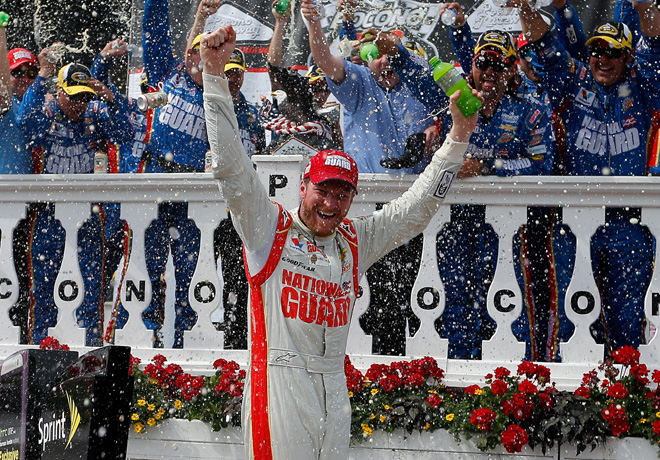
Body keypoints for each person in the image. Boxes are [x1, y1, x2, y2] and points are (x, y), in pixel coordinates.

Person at [201, 24, 478, 460]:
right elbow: (231, 169)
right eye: (323, 190)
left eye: (342, 194)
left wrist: (457, 137)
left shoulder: (353, 240)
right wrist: (215, 78)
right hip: (280, 388)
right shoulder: (268, 229)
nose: (330, 203)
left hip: (335, 389)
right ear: (303, 187)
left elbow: (416, 210)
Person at [374, 28, 555, 358]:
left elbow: (543, 166)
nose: (489, 71)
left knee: (507, 304)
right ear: (471, 66)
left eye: (498, 64)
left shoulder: (529, 110)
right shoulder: (453, 96)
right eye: (483, 62)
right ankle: (457, 374)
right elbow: (417, 75)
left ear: (511, 69)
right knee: (455, 301)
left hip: (510, 229)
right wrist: (396, 51)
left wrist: (487, 167)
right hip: (453, 222)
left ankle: (509, 378)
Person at [517, 0, 660, 355]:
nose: (602, 59)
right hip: (575, 224)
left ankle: (624, 386)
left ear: (628, 57)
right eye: (596, 50)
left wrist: (644, 5)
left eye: (612, 52)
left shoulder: (643, 86)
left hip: (631, 226)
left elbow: (655, 46)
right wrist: (525, 7)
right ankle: (566, 386)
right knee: (570, 318)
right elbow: (546, 48)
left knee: (627, 322)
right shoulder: (574, 81)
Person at [16, 50, 132, 345]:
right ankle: (41, 347)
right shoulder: (46, 110)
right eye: (73, 97)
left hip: (88, 216)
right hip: (48, 215)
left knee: (90, 288)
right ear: (59, 91)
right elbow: (27, 130)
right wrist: (41, 77)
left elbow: (124, 134)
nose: (79, 104)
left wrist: (111, 98)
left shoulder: (96, 112)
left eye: (84, 97)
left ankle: (89, 349)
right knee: (44, 288)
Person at [141, 0, 220, 347]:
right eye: (193, 54)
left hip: (192, 193)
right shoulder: (167, 74)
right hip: (157, 180)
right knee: (148, 266)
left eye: (204, 57)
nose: (196, 61)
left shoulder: (217, 93)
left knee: (190, 272)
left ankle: (184, 340)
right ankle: (145, 335)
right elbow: (154, 32)